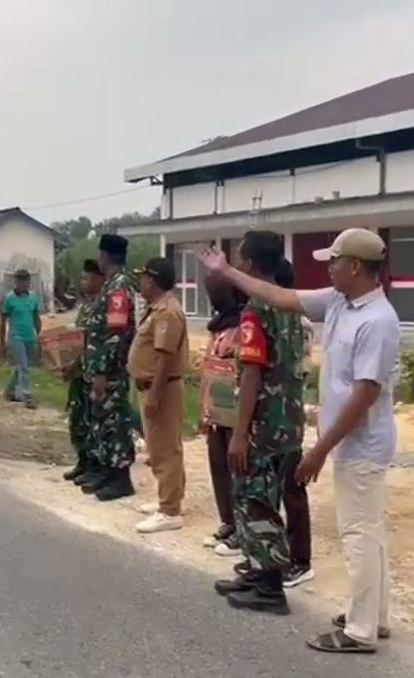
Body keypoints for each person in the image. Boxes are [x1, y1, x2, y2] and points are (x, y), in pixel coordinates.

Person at [200, 227, 400, 653]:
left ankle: (360, 631)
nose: (327, 267)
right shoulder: (340, 302)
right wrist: (228, 272)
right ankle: (374, 616)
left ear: (354, 266)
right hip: (345, 440)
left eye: (333, 261)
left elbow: (366, 394)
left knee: (360, 533)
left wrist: (319, 450)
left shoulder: (378, 321)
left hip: (361, 443)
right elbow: (279, 297)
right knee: (369, 530)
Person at [203, 232, 306, 616]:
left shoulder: (257, 310)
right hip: (287, 423)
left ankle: (268, 586)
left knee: (253, 500)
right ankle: (255, 569)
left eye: (239, 260)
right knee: (265, 498)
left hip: (262, 426)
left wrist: (240, 434)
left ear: (247, 265)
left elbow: (251, 375)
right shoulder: (290, 304)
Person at [127, 257, 190, 534]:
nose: (140, 282)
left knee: (165, 449)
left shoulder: (166, 312)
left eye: (143, 278)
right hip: (153, 386)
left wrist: (154, 395)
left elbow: (165, 357)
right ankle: (168, 497)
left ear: (152, 281)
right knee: (158, 447)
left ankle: (170, 511)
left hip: (161, 387)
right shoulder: (157, 309)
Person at [77, 233, 139, 501]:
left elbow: (115, 334)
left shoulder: (118, 289)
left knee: (115, 423)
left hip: (111, 370)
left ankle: (121, 478)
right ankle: (107, 471)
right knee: (102, 421)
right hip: (103, 367)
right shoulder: (112, 285)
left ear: (105, 257)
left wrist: (101, 371)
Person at [271, 258, 316, 586]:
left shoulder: (294, 320)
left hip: (287, 413)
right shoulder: (282, 316)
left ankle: (301, 559)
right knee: (275, 487)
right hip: (277, 414)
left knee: (292, 488)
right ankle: (278, 553)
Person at [199, 276, 248, 555]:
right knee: (217, 463)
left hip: (236, 409)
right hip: (215, 407)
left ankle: (243, 529)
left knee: (237, 468)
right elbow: (208, 368)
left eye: (217, 293)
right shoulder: (216, 328)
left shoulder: (244, 326)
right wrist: (204, 411)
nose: (213, 299)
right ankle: (228, 521)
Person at [64, 260, 106, 482]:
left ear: (100, 280)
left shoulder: (102, 304)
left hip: (93, 371)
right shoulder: (86, 305)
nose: (83, 282)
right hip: (80, 372)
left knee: (93, 421)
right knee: (78, 418)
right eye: (82, 278)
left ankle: (94, 465)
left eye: (87, 278)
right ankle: (82, 461)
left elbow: (96, 341)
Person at [0, 269, 42, 408]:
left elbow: (36, 318)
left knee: (22, 366)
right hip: (16, 336)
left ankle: (9, 391)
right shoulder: (9, 299)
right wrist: (2, 342)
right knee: (24, 367)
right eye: (20, 281)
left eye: (26, 281)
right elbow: (3, 320)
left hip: (30, 336)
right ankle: (27, 396)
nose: (23, 284)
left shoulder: (33, 298)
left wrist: (39, 335)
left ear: (29, 282)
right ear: (16, 282)